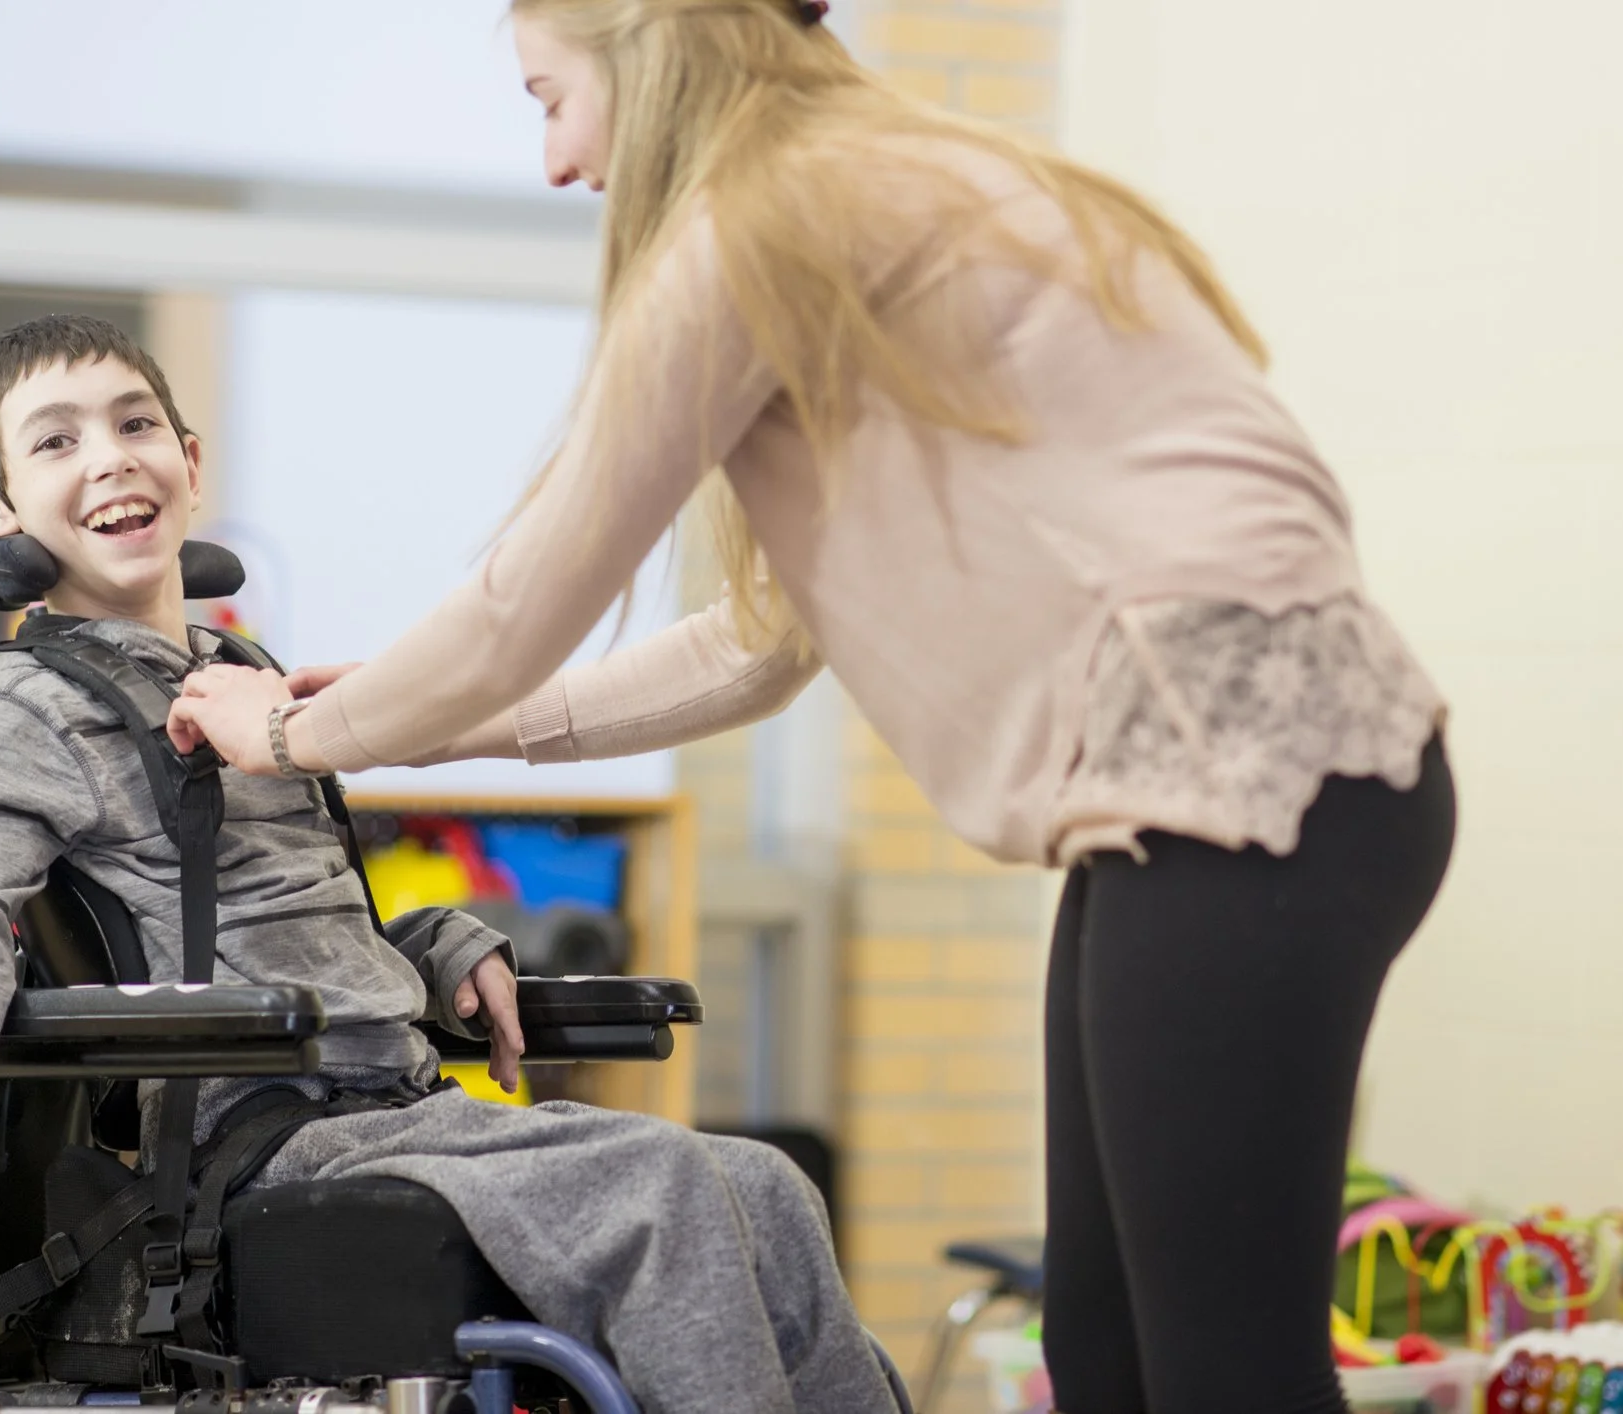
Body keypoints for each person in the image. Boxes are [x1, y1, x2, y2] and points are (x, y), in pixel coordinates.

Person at [166, 4, 1457, 1413]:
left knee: (1223, 1377)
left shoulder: (750, 228)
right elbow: (762, 641)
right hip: (1236, 789)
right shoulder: (879, 184)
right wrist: (449, 717)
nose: (551, 161)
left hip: (1246, 769)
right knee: (1106, 1352)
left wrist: (287, 733)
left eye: (550, 98)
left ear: (645, 49)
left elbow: (521, 601)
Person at [0, 313, 897, 1414]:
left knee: (768, 1186)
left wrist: (429, 950)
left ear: (190, 463)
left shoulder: (249, 676)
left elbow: (287, 919)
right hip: (260, 1137)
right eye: (56, 441)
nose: (109, 455)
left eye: (136, 421)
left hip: (396, 1100)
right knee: (666, 1194)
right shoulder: (24, 709)